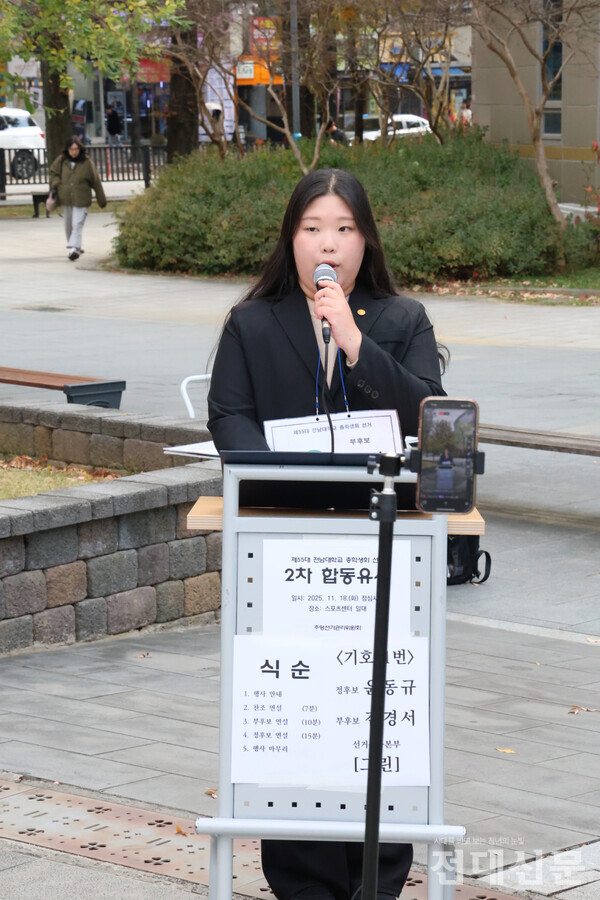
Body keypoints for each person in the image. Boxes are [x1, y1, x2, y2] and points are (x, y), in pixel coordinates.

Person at [207, 168, 446, 900]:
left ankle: (379, 878)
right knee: (298, 715)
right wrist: (286, 473)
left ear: (365, 239)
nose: (328, 243)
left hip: (382, 549)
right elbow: (228, 418)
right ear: (292, 236)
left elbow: (426, 416)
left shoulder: (401, 320)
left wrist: (351, 339)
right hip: (283, 547)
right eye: (314, 227)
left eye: (344, 228)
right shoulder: (253, 321)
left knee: (376, 716)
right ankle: (303, 880)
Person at [49, 136, 107, 261]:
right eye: (71, 149)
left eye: (76, 149)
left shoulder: (87, 162)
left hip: (81, 198)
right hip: (66, 198)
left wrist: (101, 199)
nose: (74, 152)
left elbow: (95, 181)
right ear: (67, 150)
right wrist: (56, 184)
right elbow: (53, 173)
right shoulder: (62, 160)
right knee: (68, 226)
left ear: (80, 149)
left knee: (77, 224)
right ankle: (75, 247)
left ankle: (74, 249)